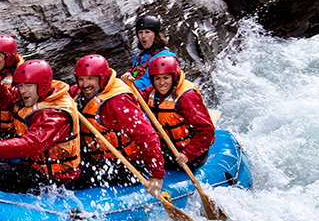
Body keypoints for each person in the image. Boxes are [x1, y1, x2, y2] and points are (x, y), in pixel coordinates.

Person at [0, 59, 81, 193]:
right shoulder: (32, 94)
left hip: (55, 179)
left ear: (42, 85)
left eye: (28, 86)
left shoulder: (55, 114)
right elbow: (3, 100)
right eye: (21, 86)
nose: (23, 90)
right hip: (32, 167)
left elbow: (33, 143)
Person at [71, 54, 164, 194]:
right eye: (81, 79)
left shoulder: (118, 101)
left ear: (101, 79)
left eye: (90, 79)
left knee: (74, 180)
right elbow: (61, 92)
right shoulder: (80, 92)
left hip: (128, 164)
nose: (84, 84)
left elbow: (146, 136)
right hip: (99, 158)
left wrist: (157, 175)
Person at [142, 55, 215, 170]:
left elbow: (206, 130)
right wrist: (128, 84)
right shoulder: (151, 92)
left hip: (191, 154)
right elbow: (134, 101)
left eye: (166, 78)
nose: (161, 83)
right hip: (168, 149)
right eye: (157, 78)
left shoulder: (186, 97)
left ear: (174, 77)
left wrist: (187, 154)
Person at [124, 13, 176, 92]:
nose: (143, 36)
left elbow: (149, 82)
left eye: (147, 32)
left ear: (155, 35)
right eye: (140, 32)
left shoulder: (165, 57)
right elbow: (135, 74)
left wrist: (124, 87)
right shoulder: (138, 58)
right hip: (139, 95)